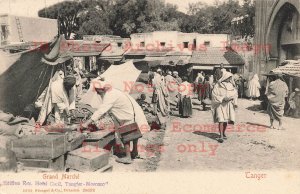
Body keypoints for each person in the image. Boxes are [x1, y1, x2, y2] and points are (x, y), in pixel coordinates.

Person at [82, 79, 149, 164]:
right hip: (132, 112)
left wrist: (86, 123)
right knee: (134, 133)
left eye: (98, 92)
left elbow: (101, 110)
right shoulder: (113, 91)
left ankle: (128, 157)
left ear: (101, 89)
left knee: (126, 134)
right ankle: (134, 152)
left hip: (128, 114)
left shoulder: (109, 95)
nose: (98, 94)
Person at [211, 71, 238, 143]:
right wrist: (222, 98)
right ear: (225, 77)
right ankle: (221, 136)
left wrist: (232, 99)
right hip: (220, 104)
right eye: (229, 77)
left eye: (230, 78)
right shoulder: (218, 85)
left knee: (226, 120)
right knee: (221, 119)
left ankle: (223, 132)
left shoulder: (231, 85)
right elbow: (214, 95)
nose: (230, 79)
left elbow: (235, 94)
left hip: (228, 105)